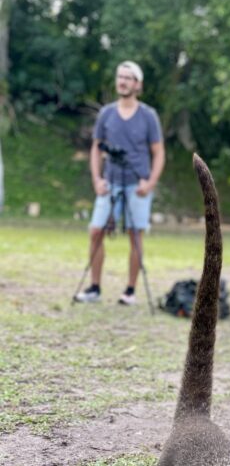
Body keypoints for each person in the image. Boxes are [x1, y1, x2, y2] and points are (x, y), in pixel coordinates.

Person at [75, 61, 165, 305]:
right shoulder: (106, 113)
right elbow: (96, 148)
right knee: (96, 231)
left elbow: (158, 152)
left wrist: (151, 183)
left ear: (138, 84)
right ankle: (94, 288)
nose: (122, 81)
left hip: (137, 184)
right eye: (119, 77)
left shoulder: (148, 116)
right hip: (110, 182)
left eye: (128, 78)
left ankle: (130, 291)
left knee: (135, 235)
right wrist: (97, 179)